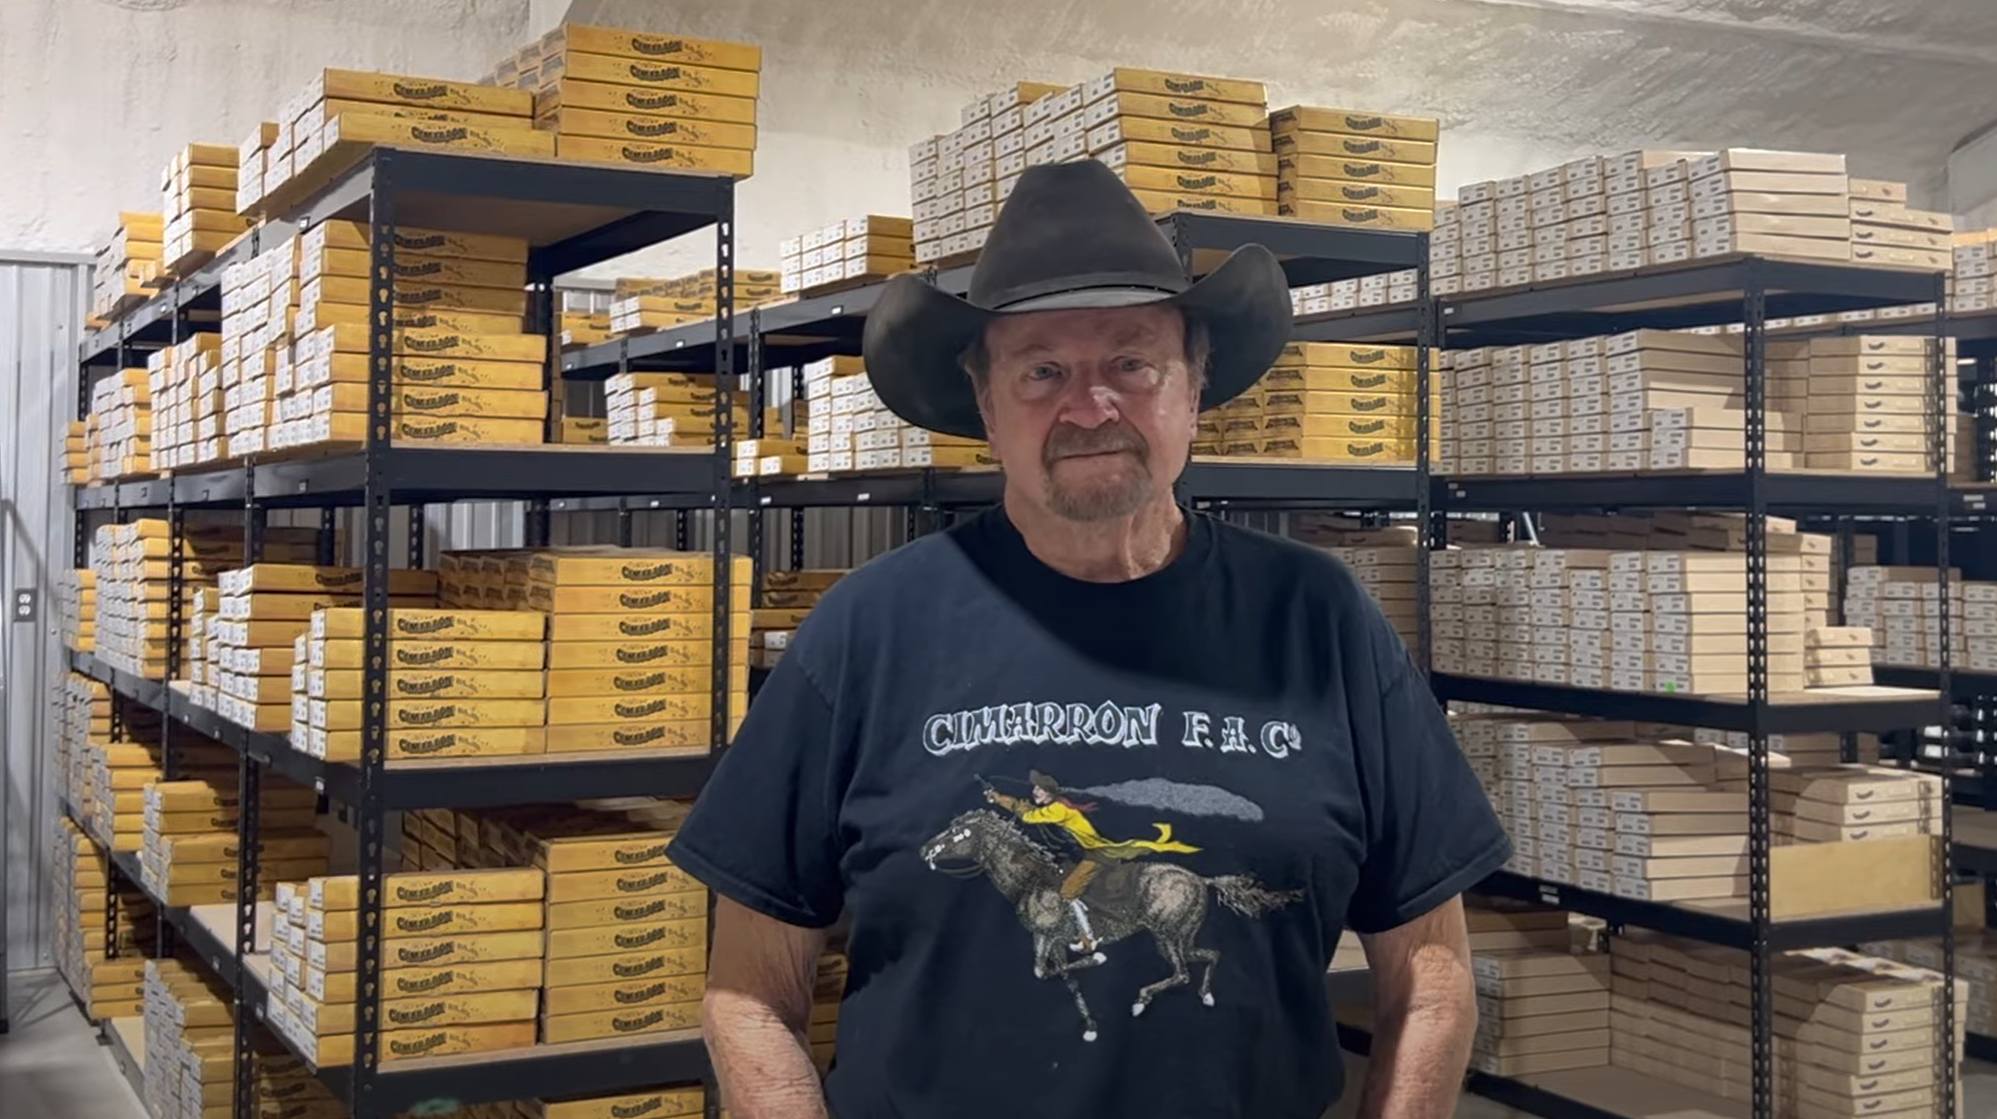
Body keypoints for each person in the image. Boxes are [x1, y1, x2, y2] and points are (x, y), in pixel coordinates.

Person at [666, 160, 1511, 1119]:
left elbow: (1431, 972)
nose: (1088, 405)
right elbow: (747, 992)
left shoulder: (1319, 616)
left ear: (1193, 386)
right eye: (1042, 370)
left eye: (1131, 363)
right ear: (985, 405)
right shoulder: (867, 629)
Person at [984, 768, 1201, 952]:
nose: (1034, 792)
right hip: (1092, 853)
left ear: (1049, 793)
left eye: (1039, 789)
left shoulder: (1059, 809)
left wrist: (999, 798)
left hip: (1097, 856)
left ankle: (1088, 938)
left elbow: (1030, 816)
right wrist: (1002, 798)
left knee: (1067, 892)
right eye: (1035, 788)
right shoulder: (1059, 806)